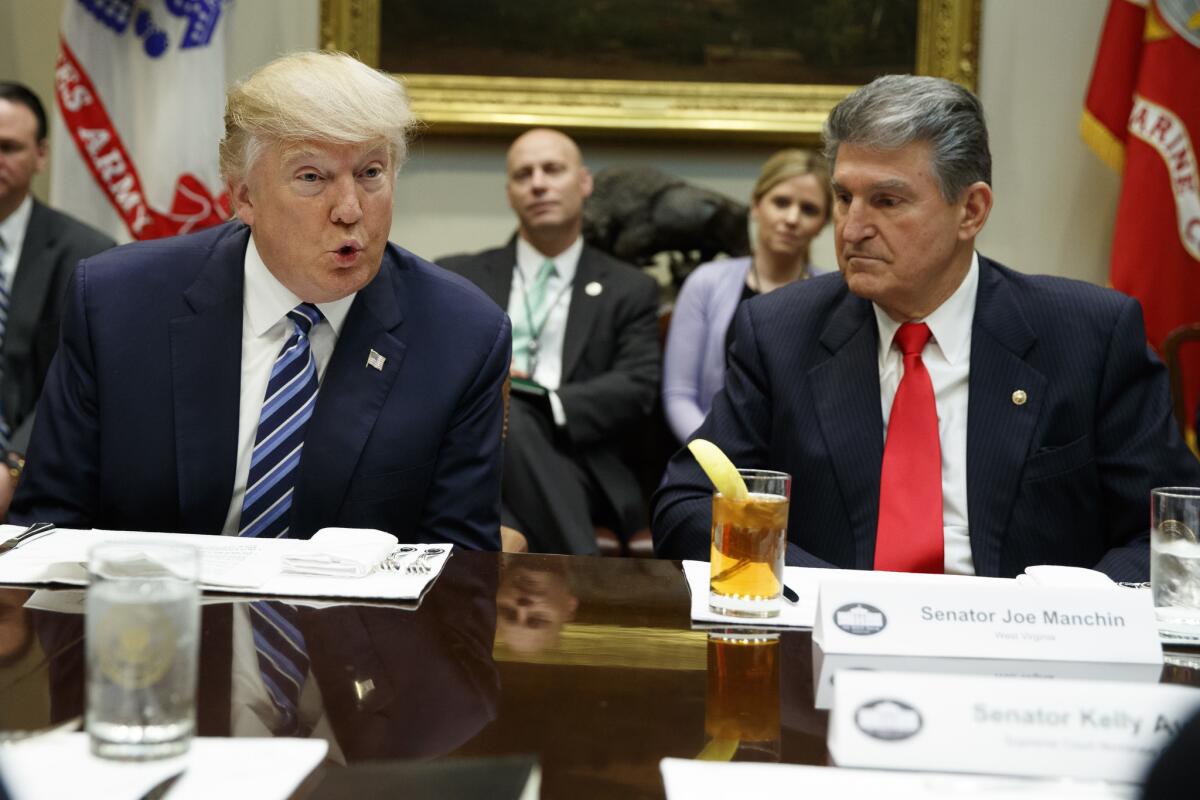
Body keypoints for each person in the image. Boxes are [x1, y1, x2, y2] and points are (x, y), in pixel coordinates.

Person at [652, 75, 1200, 581]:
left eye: (887, 201)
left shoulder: (1088, 335)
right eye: (844, 198)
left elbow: (1177, 525)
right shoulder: (780, 331)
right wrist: (824, 591)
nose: (854, 228)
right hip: (836, 644)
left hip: (1027, 654)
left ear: (971, 211)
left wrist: (1070, 608)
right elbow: (688, 503)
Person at [10, 52, 510, 551]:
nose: (350, 209)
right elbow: (49, 527)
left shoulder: (462, 335)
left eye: (371, 172)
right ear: (244, 197)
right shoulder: (116, 303)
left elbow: (456, 570)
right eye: (312, 177)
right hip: (152, 621)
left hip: (356, 628)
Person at [440, 128, 660, 555]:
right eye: (524, 175)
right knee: (500, 434)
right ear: (509, 194)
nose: (538, 183)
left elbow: (638, 386)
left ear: (584, 183)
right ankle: (580, 581)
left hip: (582, 461)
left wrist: (543, 400)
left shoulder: (629, 287)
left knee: (513, 412)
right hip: (476, 452)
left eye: (552, 170)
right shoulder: (461, 277)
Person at [0, 82, 113, 519]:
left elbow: (78, 380)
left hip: (41, 484)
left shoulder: (89, 256)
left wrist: (12, 467)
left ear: (41, 155)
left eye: (8, 147)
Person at [662, 149, 831, 442]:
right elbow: (679, 395)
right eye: (781, 202)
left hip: (800, 464)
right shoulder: (707, 283)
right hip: (710, 458)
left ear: (823, 223)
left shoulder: (833, 295)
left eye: (809, 209)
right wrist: (716, 456)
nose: (792, 218)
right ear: (756, 204)